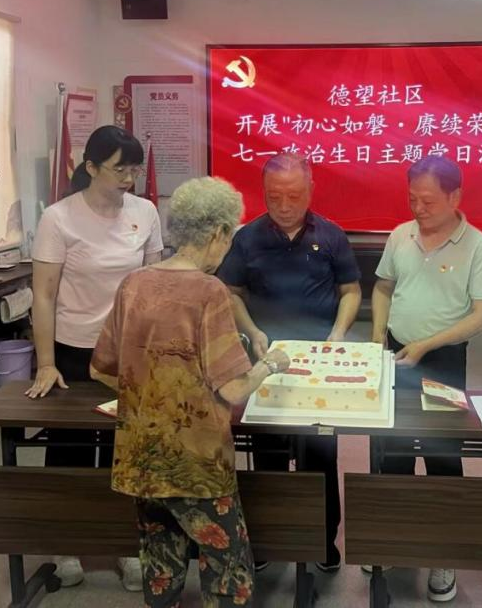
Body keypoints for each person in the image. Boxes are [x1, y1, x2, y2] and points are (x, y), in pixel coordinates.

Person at [89, 176, 291, 608]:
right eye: (229, 238)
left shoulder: (133, 283)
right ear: (218, 232)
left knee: (161, 560)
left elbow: (102, 369)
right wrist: (271, 365)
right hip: (195, 461)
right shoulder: (208, 291)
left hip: (143, 455)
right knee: (227, 568)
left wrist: (153, 393)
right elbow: (234, 388)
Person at [28, 125, 163, 591]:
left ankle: (128, 548)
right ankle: (67, 545)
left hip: (129, 350)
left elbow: (153, 283)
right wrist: (46, 362)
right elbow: (43, 295)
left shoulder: (145, 212)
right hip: (74, 352)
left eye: (134, 169)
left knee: (128, 451)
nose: (129, 178)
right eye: (119, 169)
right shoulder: (59, 218)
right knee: (72, 449)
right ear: (90, 167)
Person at [216, 152, 362, 572]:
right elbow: (231, 292)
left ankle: (323, 540)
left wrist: (338, 333)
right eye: (273, 196)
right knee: (269, 453)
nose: (283, 205)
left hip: (319, 362)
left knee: (320, 453)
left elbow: (351, 290)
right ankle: (267, 538)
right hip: (265, 361)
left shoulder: (331, 235)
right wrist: (252, 331)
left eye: (294, 196)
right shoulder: (247, 238)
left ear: (311, 190)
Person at [371, 156, 482, 603]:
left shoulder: (479, 247)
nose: (418, 209)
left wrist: (427, 345)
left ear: (455, 196)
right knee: (392, 450)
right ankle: (394, 541)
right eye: (412, 199)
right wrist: (377, 337)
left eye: (427, 201)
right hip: (395, 353)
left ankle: (444, 553)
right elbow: (383, 287)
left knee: (443, 453)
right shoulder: (400, 235)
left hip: (443, 361)